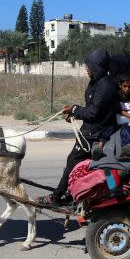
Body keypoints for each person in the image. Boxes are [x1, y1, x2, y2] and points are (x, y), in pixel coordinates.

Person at [37, 48, 120, 206]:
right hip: (92, 131)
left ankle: (56, 197)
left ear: (97, 66)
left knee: (74, 161)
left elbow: (93, 112)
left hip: (95, 134)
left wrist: (74, 109)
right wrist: (76, 114)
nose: (86, 70)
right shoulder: (98, 81)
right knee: (95, 165)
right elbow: (92, 108)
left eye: (89, 67)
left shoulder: (105, 86)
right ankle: (77, 193)